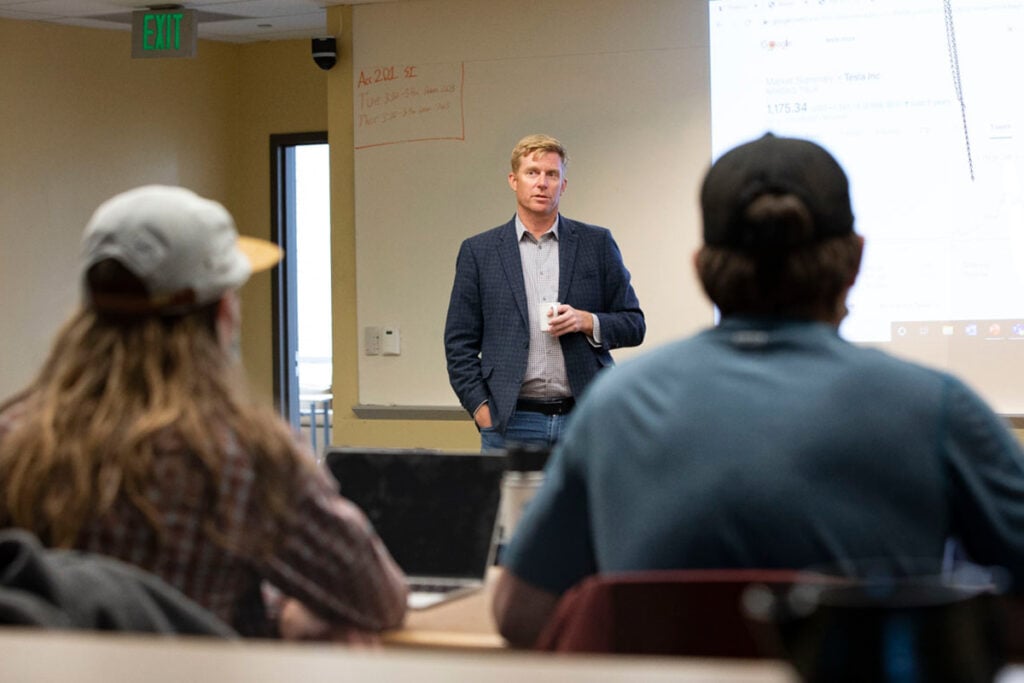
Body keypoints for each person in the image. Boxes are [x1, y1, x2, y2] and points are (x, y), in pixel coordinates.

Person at [491, 133, 1024, 647]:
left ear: (701, 269)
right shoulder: (938, 408)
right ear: (856, 260)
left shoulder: (614, 406)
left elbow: (521, 617)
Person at [0, 185, 407, 639]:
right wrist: (282, 613)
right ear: (220, 313)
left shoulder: (14, 440)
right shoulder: (245, 455)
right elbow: (379, 599)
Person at [444, 134, 645, 451]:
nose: (542, 183)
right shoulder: (479, 252)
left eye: (552, 174)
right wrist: (483, 411)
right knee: (510, 504)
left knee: (586, 503)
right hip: (510, 421)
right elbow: (458, 343)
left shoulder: (596, 244)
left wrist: (586, 321)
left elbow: (634, 324)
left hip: (585, 417)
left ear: (563, 185)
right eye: (532, 172)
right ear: (513, 180)